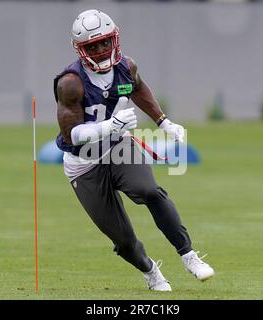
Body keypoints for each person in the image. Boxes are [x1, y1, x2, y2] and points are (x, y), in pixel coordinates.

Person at [53, 9, 214, 291]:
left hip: (119, 148)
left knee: (149, 191)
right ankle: (150, 271)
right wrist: (109, 125)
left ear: (115, 38)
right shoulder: (70, 82)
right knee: (123, 239)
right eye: (93, 46)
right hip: (84, 162)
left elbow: (138, 89)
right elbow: (71, 135)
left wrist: (164, 122)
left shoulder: (127, 66)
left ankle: (188, 255)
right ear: (81, 49)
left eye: (105, 42)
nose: (102, 50)